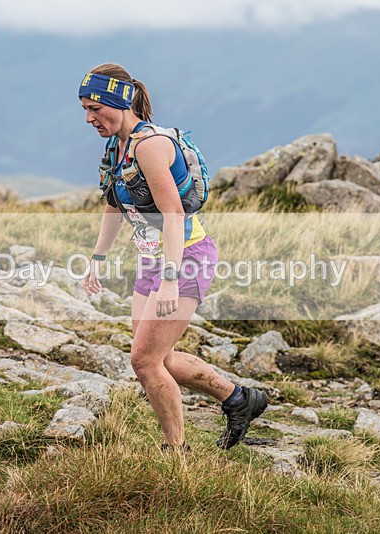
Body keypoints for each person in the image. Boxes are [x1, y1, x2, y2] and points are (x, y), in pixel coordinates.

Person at [79, 63, 268, 451]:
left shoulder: (150, 147)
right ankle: (238, 399)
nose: (88, 118)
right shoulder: (117, 147)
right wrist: (97, 259)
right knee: (157, 358)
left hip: (186, 258)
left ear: (119, 101)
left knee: (144, 362)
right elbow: (115, 205)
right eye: (84, 109)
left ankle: (175, 456)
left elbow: (174, 215)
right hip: (153, 258)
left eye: (95, 108)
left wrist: (170, 280)